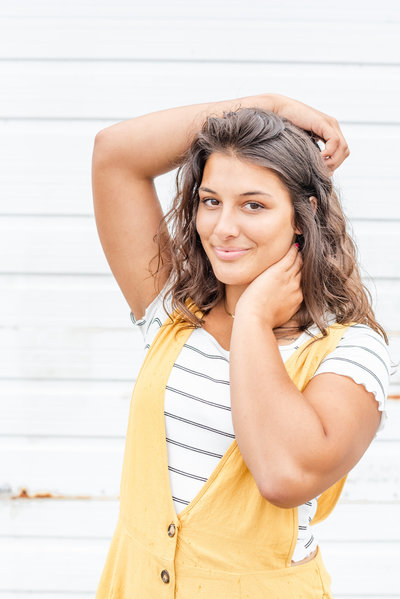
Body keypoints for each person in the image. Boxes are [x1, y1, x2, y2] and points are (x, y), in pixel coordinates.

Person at [91, 93, 391, 598]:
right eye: (211, 201)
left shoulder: (351, 351)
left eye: (253, 205)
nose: (223, 228)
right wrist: (268, 106)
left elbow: (283, 476)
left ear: (302, 215)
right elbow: (114, 155)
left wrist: (253, 318)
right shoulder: (175, 311)